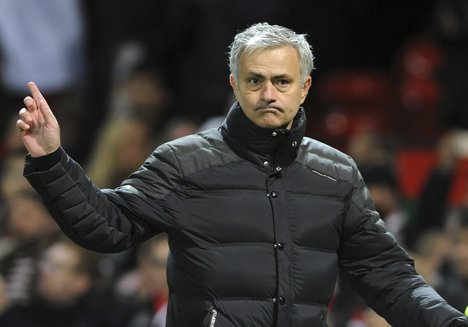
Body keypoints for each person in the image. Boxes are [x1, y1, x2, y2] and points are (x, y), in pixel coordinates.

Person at [15, 23, 468, 326]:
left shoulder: (337, 174)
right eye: (254, 80)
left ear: (305, 87)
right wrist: (52, 159)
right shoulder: (184, 161)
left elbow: (386, 274)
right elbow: (107, 227)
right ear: (235, 85)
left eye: (282, 81)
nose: (268, 93)